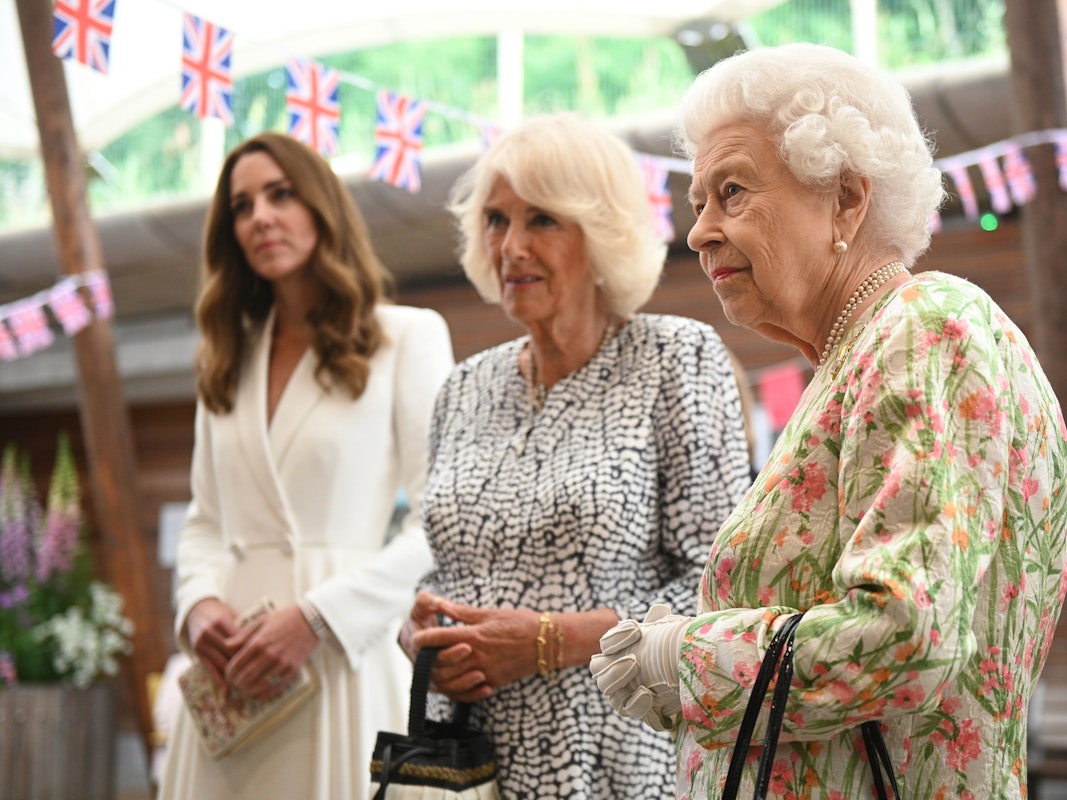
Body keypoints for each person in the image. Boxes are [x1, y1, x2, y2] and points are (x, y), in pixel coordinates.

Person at [590, 43, 1067, 800]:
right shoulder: (864, 351)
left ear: (845, 198)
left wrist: (681, 658)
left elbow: (903, 633)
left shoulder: (922, 325)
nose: (698, 232)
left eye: (731, 191)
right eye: (697, 203)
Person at [399, 112, 753, 799]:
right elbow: (445, 569)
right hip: (466, 769)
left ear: (601, 233)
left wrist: (546, 640)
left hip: (623, 764)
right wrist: (421, 634)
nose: (511, 246)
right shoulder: (462, 388)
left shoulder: (676, 359)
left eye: (541, 220)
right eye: (495, 221)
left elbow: (722, 593)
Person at [157, 131, 454, 800]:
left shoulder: (406, 336)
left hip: (338, 652)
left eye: (280, 195)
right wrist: (197, 606)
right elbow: (205, 522)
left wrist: (318, 617)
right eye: (242, 206)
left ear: (322, 206)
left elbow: (441, 523)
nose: (260, 217)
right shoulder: (225, 360)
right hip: (231, 673)